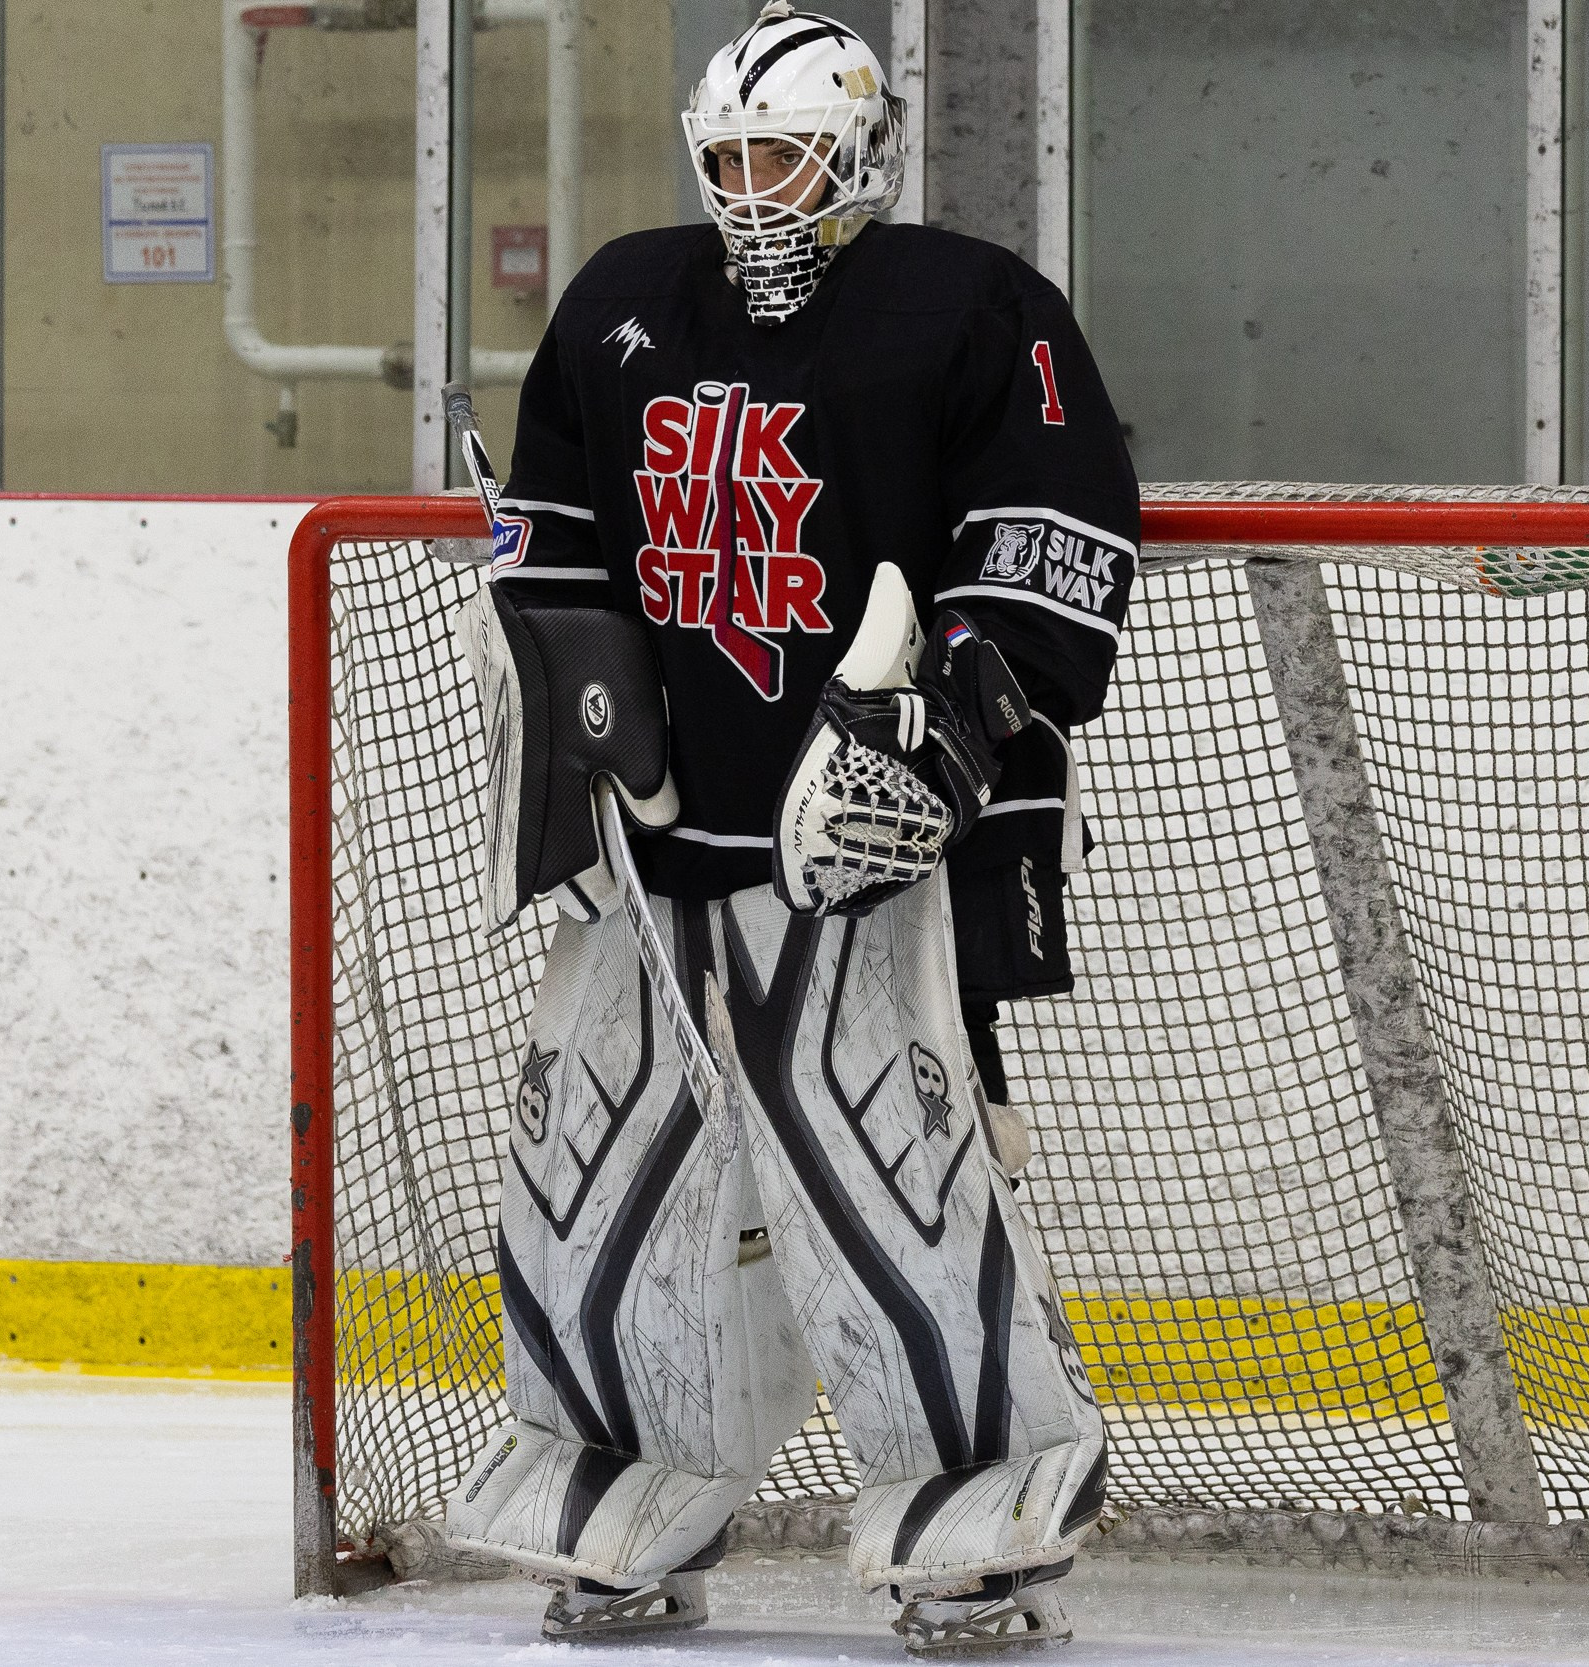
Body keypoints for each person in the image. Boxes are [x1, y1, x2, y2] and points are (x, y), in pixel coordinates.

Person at [444, 3, 1141, 1653]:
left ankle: (976, 1524)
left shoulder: (978, 310)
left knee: (888, 1187)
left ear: (863, 157)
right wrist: (572, 727)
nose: (757, 189)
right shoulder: (624, 298)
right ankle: (620, 1494)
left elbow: (1049, 557)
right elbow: (550, 546)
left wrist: (945, 732)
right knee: (593, 1176)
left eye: (790, 158)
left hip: (873, 859)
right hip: (658, 853)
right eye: (734, 158)